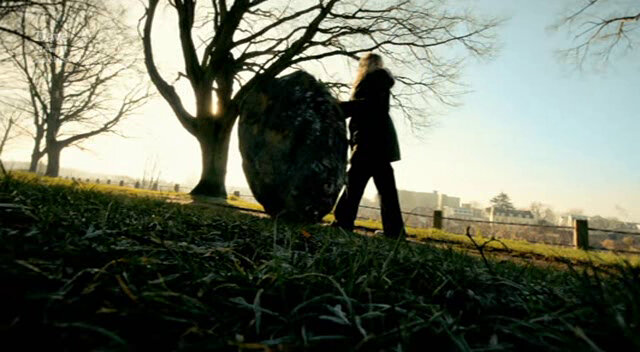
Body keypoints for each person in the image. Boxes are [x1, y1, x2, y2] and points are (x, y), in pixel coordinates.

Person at [334, 53, 406, 239]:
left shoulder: (372, 80)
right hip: (380, 144)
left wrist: (340, 108)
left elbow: (367, 106)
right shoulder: (381, 81)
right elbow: (371, 107)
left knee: (354, 184)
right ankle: (395, 232)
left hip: (368, 142)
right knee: (386, 190)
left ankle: (342, 223)